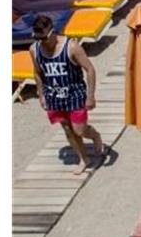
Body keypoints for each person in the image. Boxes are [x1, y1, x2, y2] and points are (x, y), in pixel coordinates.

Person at [31, 15, 104, 174]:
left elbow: (90, 69)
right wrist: (41, 94)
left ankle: (95, 136)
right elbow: (37, 73)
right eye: (37, 38)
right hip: (54, 96)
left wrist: (90, 96)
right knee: (67, 129)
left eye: (44, 37)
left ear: (52, 32)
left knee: (79, 130)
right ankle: (84, 159)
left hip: (75, 93)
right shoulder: (34, 50)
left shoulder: (72, 47)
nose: (41, 41)